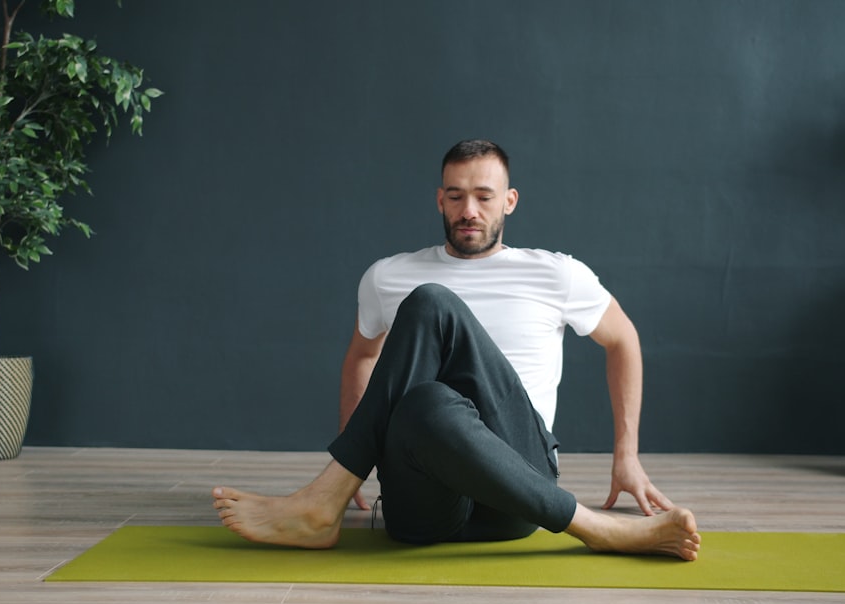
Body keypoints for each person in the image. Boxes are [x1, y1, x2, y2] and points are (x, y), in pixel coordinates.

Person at [213, 139, 700, 560]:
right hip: (420, 503)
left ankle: (325, 499)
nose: (469, 210)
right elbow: (362, 357)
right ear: (439, 201)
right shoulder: (387, 276)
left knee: (431, 302)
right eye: (456, 196)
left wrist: (626, 456)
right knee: (428, 398)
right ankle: (334, 492)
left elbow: (623, 339)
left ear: (509, 201)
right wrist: (358, 456)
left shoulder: (555, 274)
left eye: (484, 197)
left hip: (519, 491)